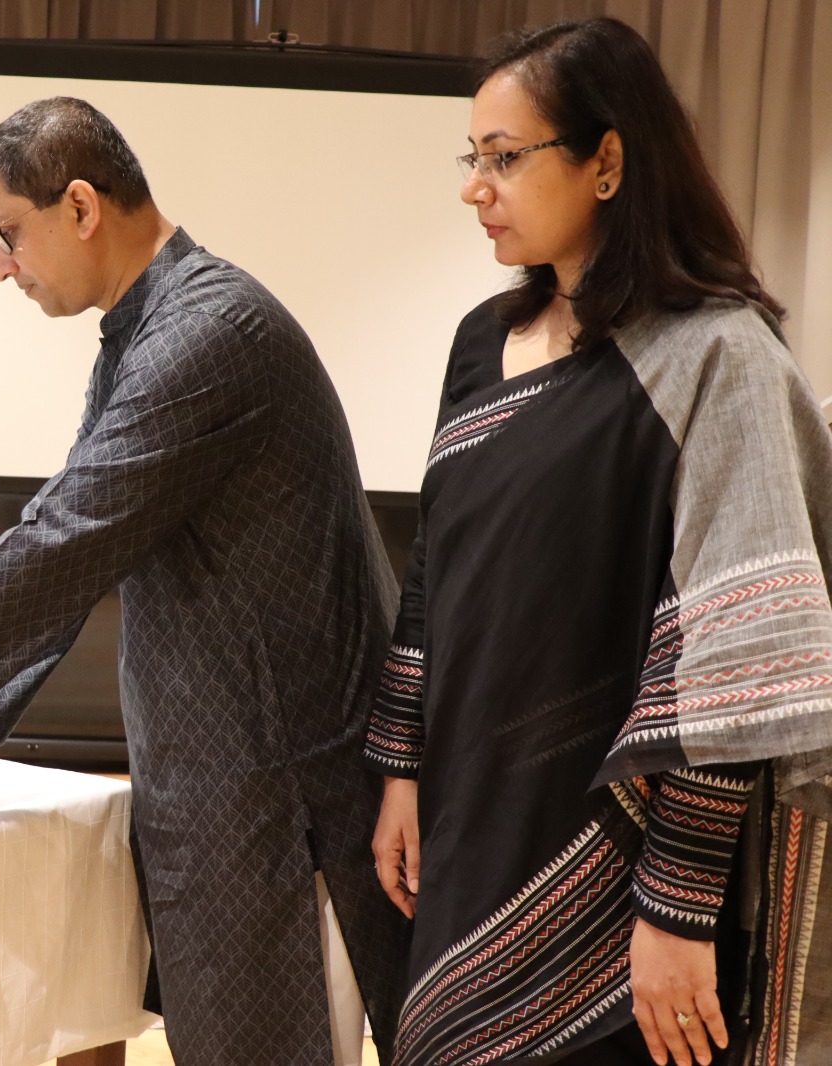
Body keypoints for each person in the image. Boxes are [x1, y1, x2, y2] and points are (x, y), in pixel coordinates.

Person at [0, 97, 411, 1065]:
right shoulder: (152, 321)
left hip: (277, 799)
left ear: (79, 206)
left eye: (7, 235)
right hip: (233, 782)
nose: (0, 268)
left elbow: (61, 541)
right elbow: (72, 540)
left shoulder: (210, 332)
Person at [364, 18, 832, 1066]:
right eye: (470, 158)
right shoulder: (481, 341)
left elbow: (737, 669)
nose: (472, 187)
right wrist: (401, 768)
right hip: (471, 808)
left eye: (503, 157)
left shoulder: (718, 356)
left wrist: (675, 906)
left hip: (618, 854)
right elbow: (435, 561)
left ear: (607, 160)